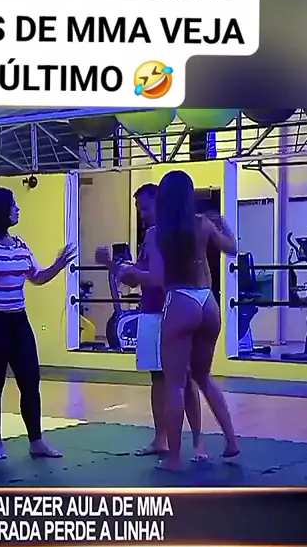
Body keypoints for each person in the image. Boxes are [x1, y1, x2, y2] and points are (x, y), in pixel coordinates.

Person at [0, 186, 76, 460]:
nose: (18, 209)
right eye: (13, 205)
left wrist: (59, 264)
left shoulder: (20, 244)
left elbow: (36, 276)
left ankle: (36, 441)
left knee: (30, 379)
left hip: (18, 321)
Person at [96, 182, 207, 461]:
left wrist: (130, 272)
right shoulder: (150, 237)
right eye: (139, 209)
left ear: (161, 203)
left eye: (145, 208)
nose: (142, 214)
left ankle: (198, 442)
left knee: (185, 378)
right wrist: (112, 265)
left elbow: (159, 278)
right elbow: (139, 277)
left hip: (172, 311)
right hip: (151, 310)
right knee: (157, 377)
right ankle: (161, 439)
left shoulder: (171, 235)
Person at [149, 169, 240, 471]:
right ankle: (232, 441)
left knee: (175, 384)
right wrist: (221, 221)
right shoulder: (202, 224)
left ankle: (174, 458)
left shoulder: (156, 233)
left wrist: (127, 272)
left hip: (180, 301)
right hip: (207, 301)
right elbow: (232, 248)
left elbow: (157, 278)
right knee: (204, 376)